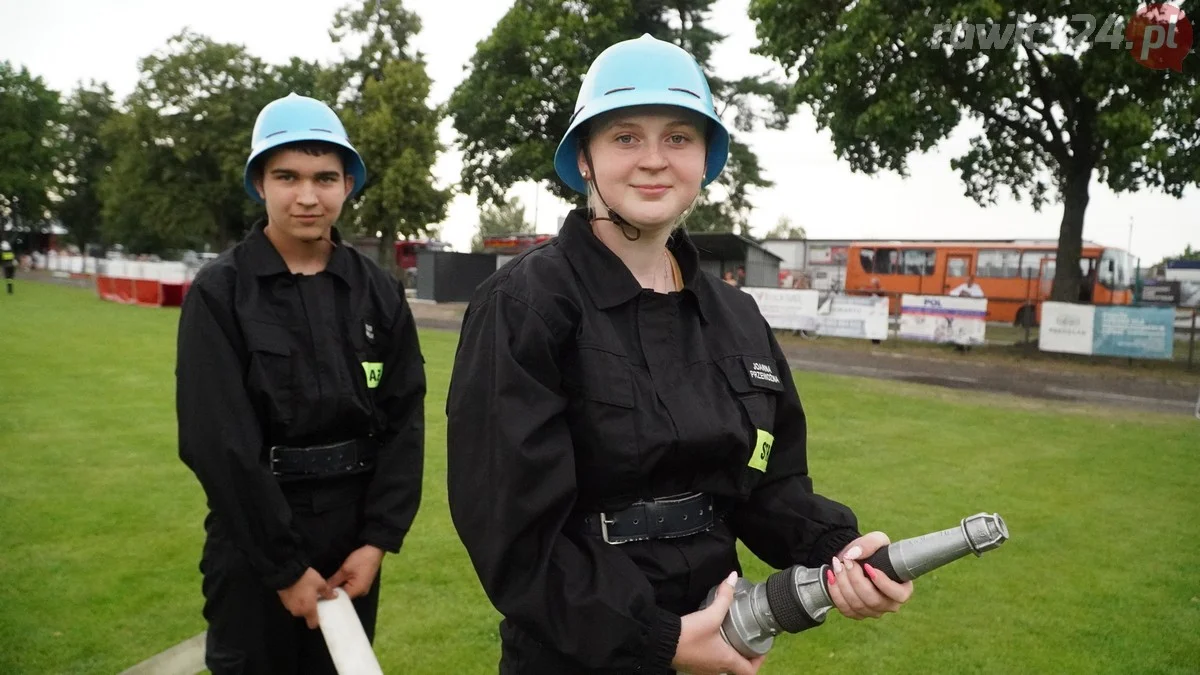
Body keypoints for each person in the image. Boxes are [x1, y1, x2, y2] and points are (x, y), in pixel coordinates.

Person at [446, 35, 913, 675]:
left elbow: (766, 486)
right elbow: (511, 529)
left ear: (706, 158)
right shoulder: (525, 305)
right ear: (584, 157)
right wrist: (658, 639)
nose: (653, 161)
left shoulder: (736, 316)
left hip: (725, 633)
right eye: (625, 138)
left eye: (678, 138)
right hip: (580, 652)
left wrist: (840, 549)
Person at [175, 93, 426, 674]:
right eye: (287, 176)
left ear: (347, 185)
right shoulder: (220, 293)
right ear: (260, 183)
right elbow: (219, 442)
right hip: (253, 542)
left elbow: (404, 421)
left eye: (325, 177)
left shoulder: (378, 291)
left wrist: (377, 541)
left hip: (350, 541)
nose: (308, 196)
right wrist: (283, 568)